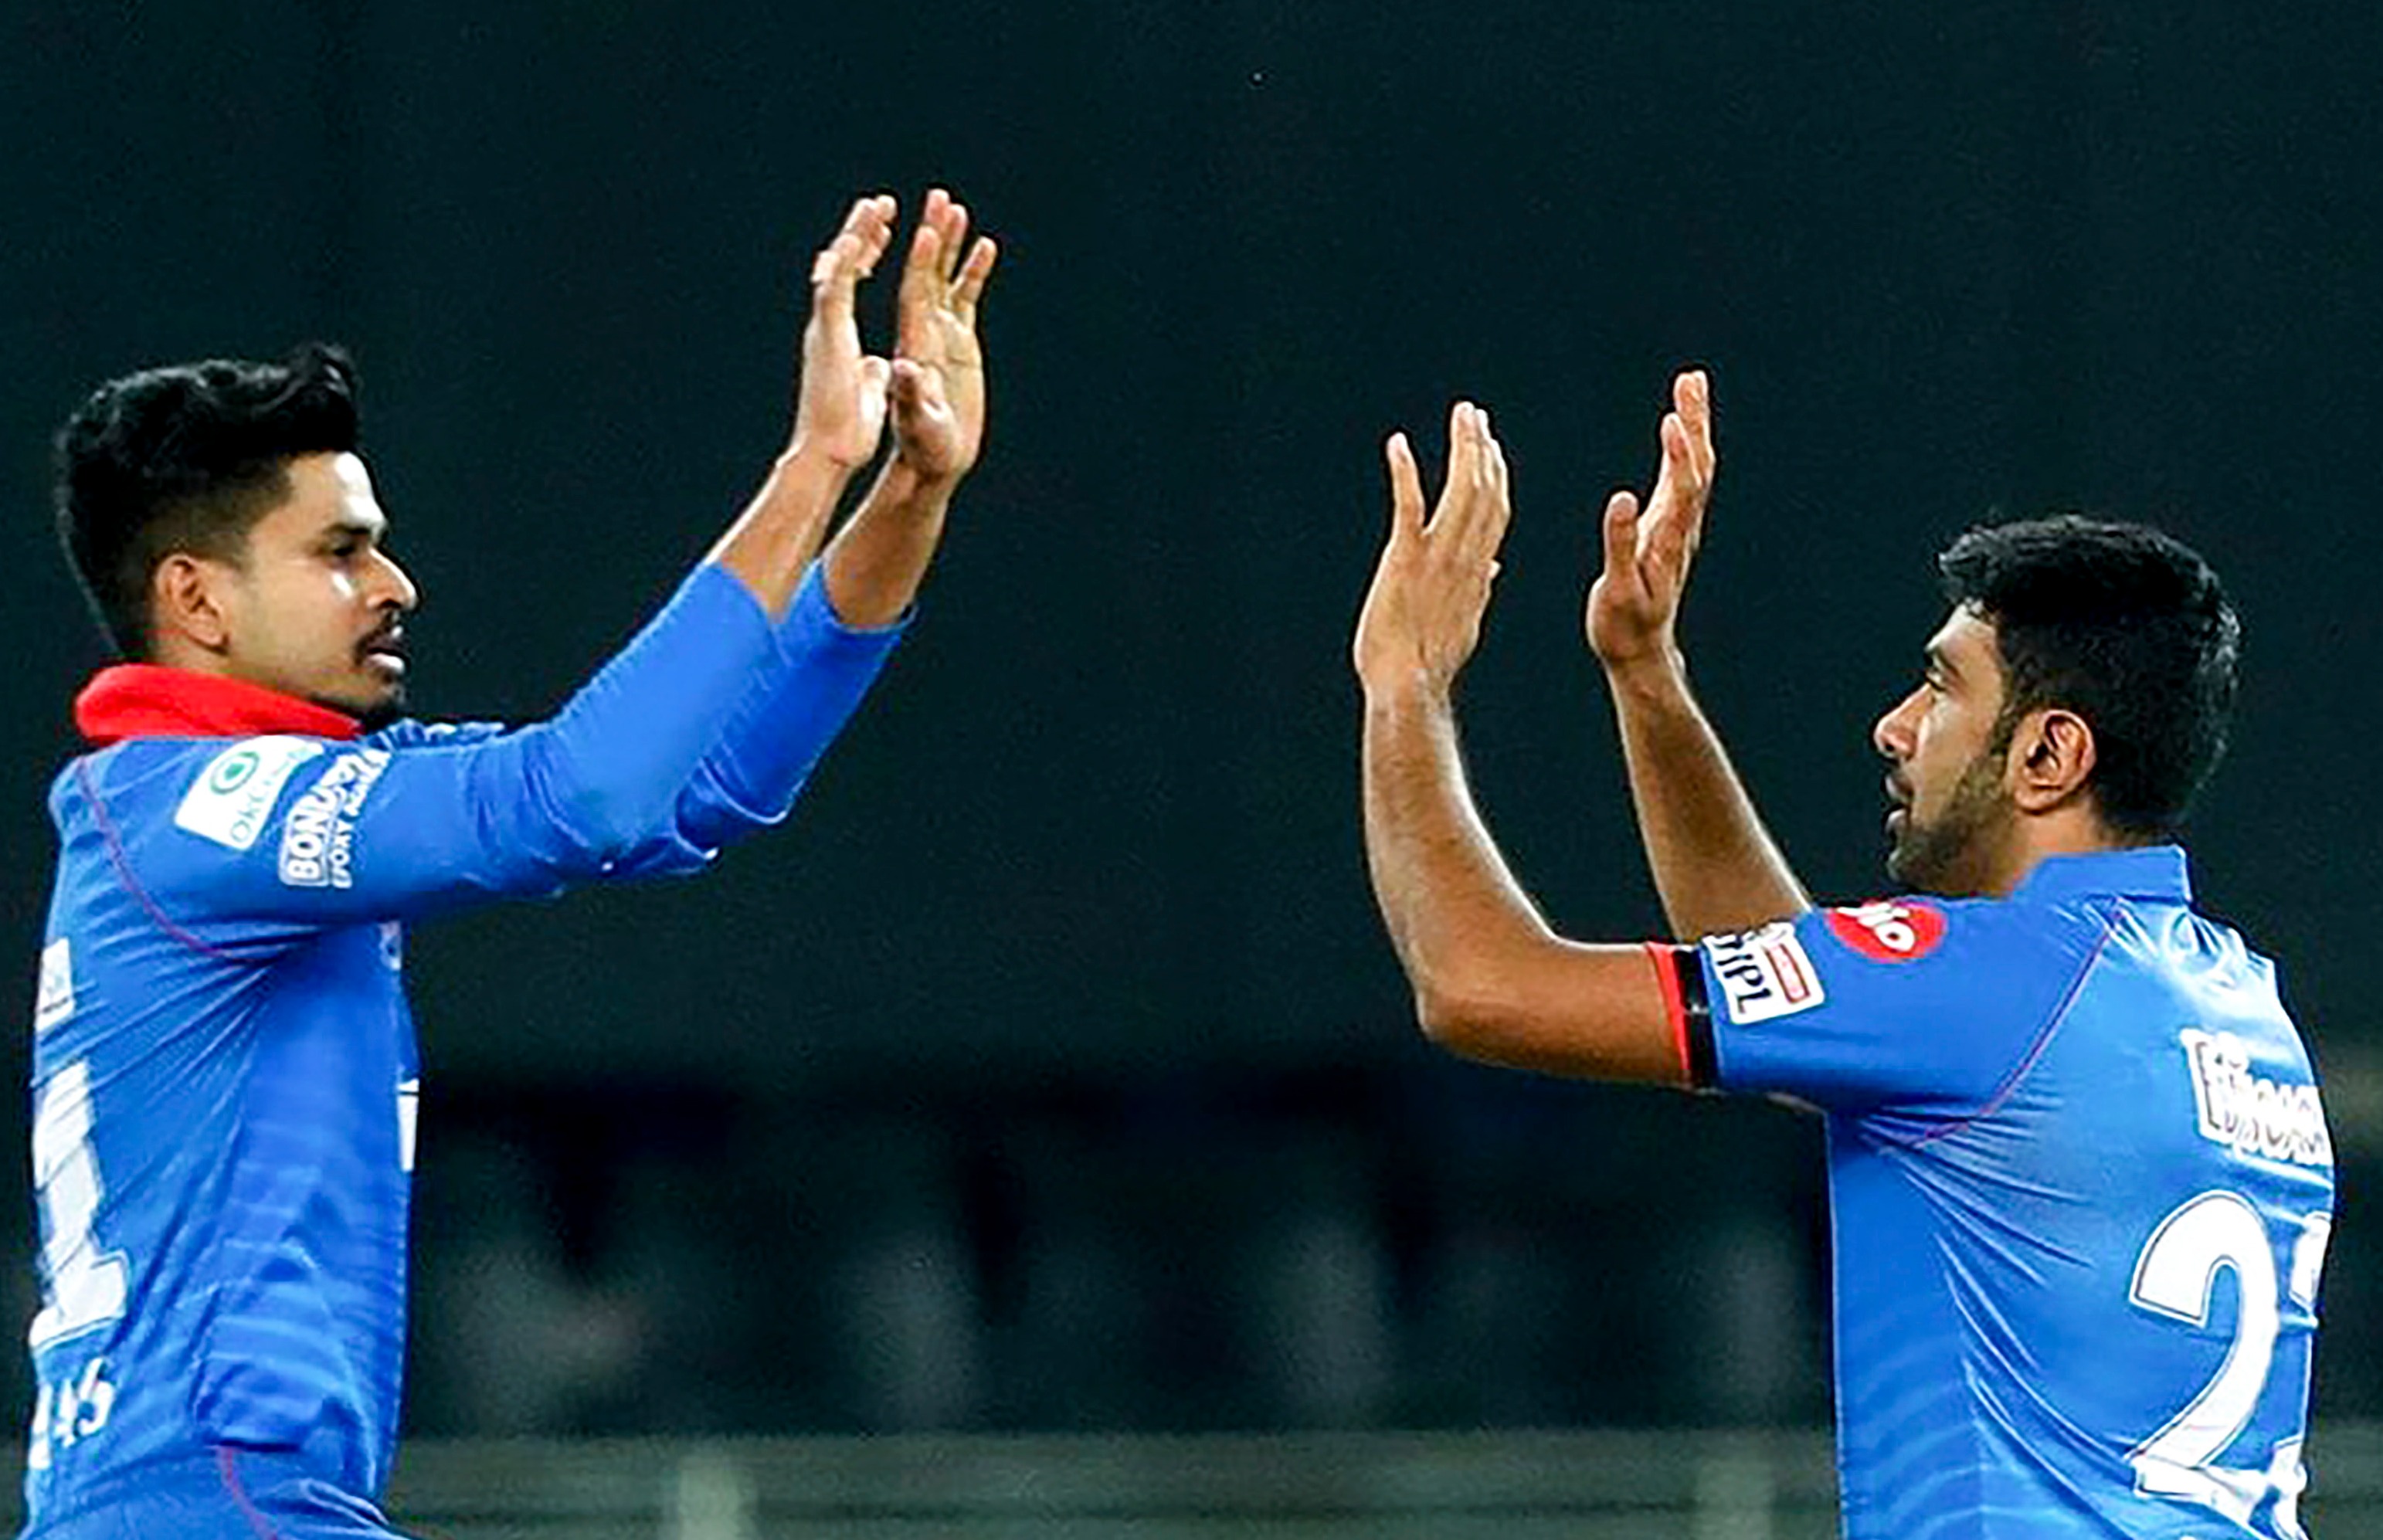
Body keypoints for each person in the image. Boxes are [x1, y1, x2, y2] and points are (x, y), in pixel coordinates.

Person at [22, 188, 995, 1539]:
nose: (396, 583)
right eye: (341, 551)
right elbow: (585, 796)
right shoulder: (207, 808)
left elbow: (694, 791)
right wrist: (811, 466)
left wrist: (906, 492)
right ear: (197, 599)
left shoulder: (228, 802)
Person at [1353, 382, 2331, 1538]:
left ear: (2049, 754)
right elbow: (1791, 984)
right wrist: (1644, 673)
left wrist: (1403, 683)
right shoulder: (2235, 1004)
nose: (1894, 723)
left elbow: (1480, 986)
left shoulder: (1985, 981)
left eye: (1940, 686)